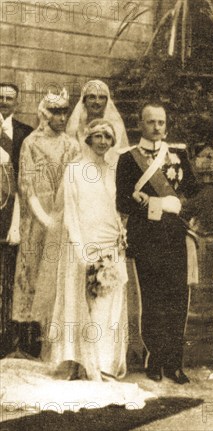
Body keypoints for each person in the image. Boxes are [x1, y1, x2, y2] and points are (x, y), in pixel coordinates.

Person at [32, 119, 128, 381]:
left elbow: (115, 207)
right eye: (97, 136)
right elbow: (71, 214)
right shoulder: (74, 170)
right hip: (83, 246)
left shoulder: (112, 170)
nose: (103, 142)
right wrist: (81, 248)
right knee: (82, 303)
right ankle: (82, 361)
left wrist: (120, 236)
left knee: (108, 307)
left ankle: (103, 363)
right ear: (88, 139)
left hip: (111, 245)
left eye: (107, 137)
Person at [116, 102, 199, 384]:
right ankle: (154, 359)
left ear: (166, 125)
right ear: (140, 125)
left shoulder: (178, 155)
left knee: (177, 300)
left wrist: (176, 207)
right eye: (150, 122)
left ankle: (174, 362)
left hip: (176, 237)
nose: (156, 127)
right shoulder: (127, 159)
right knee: (152, 301)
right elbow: (121, 200)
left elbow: (193, 195)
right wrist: (152, 203)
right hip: (146, 238)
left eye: (161, 122)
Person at [13, 89, 80, 358]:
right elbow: (26, 185)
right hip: (37, 219)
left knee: (56, 275)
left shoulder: (72, 145)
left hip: (63, 217)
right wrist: (44, 218)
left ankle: (53, 342)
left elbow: (75, 185)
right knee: (32, 272)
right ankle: (30, 339)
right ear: (45, 114)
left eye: (64, 112)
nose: (61, 117)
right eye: (56, 112)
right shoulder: (31, 143)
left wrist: (63, 218)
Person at [0, 83, 33, 356]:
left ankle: (8, 341)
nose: (4, 102)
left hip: (13, 214)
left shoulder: (25, 133)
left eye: (9, 98)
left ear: (16, 103)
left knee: (10, 278)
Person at [66, 80, 129, 172]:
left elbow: (123, 159)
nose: (97, 102)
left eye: (102, 97)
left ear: (107, 101)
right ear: (84, 100)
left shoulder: (117, 128)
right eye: (92, 97)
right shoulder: (75, 128)